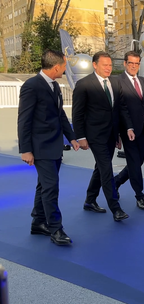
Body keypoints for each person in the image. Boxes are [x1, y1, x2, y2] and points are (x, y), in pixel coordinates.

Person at [17, 49, 80, 246]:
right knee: (51, 187)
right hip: (40, 147)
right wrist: (25, 150)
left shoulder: (54, 85)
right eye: (63, 66)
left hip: (55, 145)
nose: (64, 69)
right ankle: (56, 229)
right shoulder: (32, 86)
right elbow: (24, 120)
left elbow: (60, 114)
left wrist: (72, 138)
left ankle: (38, 223)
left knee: (43, 186)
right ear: (56, 67)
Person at [72, 51, 135, 222]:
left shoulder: (115, 82)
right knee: (106, 168)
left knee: (100, 168)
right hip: (95, 135)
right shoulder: (84, 84)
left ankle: (90, 200)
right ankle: (116, 209)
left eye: (110, 65)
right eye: (104, 65)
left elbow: (120, 108)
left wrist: (125, 129)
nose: (108, 68)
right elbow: (77, 114)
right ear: (95, 65)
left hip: (111, 134)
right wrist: (81, 137)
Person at [113, 51, 144, 211]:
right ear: (125, 63)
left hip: (143, 129)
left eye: (136, 63)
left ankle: (116, 182)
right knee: (134, 163)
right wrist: (120, 131)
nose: (133, 66)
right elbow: (118, 108)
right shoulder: (118, 81)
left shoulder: (143, 81)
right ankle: (140, 196)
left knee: (138, 162)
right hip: (128, 130)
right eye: (130, 63)